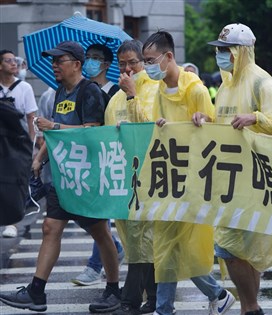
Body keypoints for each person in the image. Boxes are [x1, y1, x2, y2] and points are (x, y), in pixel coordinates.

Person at [0, 41, 121, 313]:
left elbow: (92, 132)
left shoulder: (89, 92)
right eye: (53, 61)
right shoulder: (58, 93)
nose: (54, 65)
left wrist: (54, 125)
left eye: (60, 60)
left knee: (101, 233)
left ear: (77, 64)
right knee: (50, 228)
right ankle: (37, 292)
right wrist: (39, 157)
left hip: (87, 178)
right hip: (64, 177)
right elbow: (55, 136)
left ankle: (113, 289)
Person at [193, 23, 272, 315]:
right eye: (218, 50)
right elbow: (221, 122)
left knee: (231, 247)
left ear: (242, 51)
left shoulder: (262, 82)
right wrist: (205, 118)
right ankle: (251, 308)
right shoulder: (225, 85)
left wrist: (255, 118)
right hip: (227, 178)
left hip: (254, 179)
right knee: (235, 248)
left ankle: (250, 307)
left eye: (226, 50)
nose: (221, 56)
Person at [141, 30, 235, 315]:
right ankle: (165, 308)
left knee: (185, 247)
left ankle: (217, 293)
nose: (147, 67)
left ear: (168, 57)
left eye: (149, 60)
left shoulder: (195, 89)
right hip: (167, 177)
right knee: (165, 244)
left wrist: (203, 119)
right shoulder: (159, 89)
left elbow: (212, 128)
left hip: (192, 180)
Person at [106, 39, 160, 315]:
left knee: (143, 239)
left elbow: (148, 130)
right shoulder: (113, 97)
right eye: (122, 63)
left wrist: (131, 96)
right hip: (122, 180)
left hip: (149, 178)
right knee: (134, 242)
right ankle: (153, 297)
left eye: (133, 63)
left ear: (144, 62)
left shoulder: (154, 89)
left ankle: (129, 301)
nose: (127, 69)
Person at [71, 43, 125, 287]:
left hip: (110, 157)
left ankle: (94, 266)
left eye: (95, 58)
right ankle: (114, 247)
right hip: (87, 157)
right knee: (87, 212)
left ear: (106, 64)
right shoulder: (79, 89)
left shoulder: (116, 91)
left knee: (99, 213)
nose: (90, 62)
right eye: (87, 57)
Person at [0, 49, 37, 239]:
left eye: (15, 60)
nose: (14, 63)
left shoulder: (25, 88)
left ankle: (13, 223)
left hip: (17, 143)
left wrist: (31, 144)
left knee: (15, 182)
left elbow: (31, 117)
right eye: (8, 61)